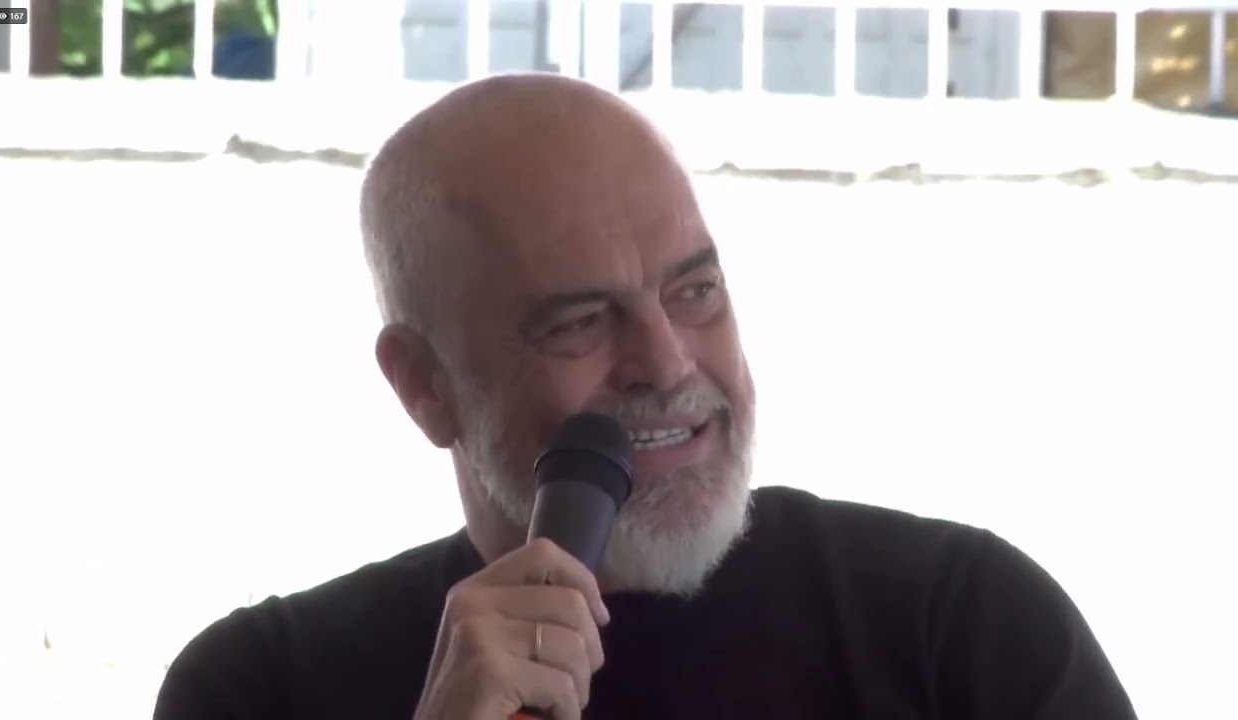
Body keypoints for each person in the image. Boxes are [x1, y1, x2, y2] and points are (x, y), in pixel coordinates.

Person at [152, 73, 1137, 720]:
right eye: (580, 322)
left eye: (694, 291)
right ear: (424, 386)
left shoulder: (956, 623)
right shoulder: (261, 688)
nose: (666, 365)